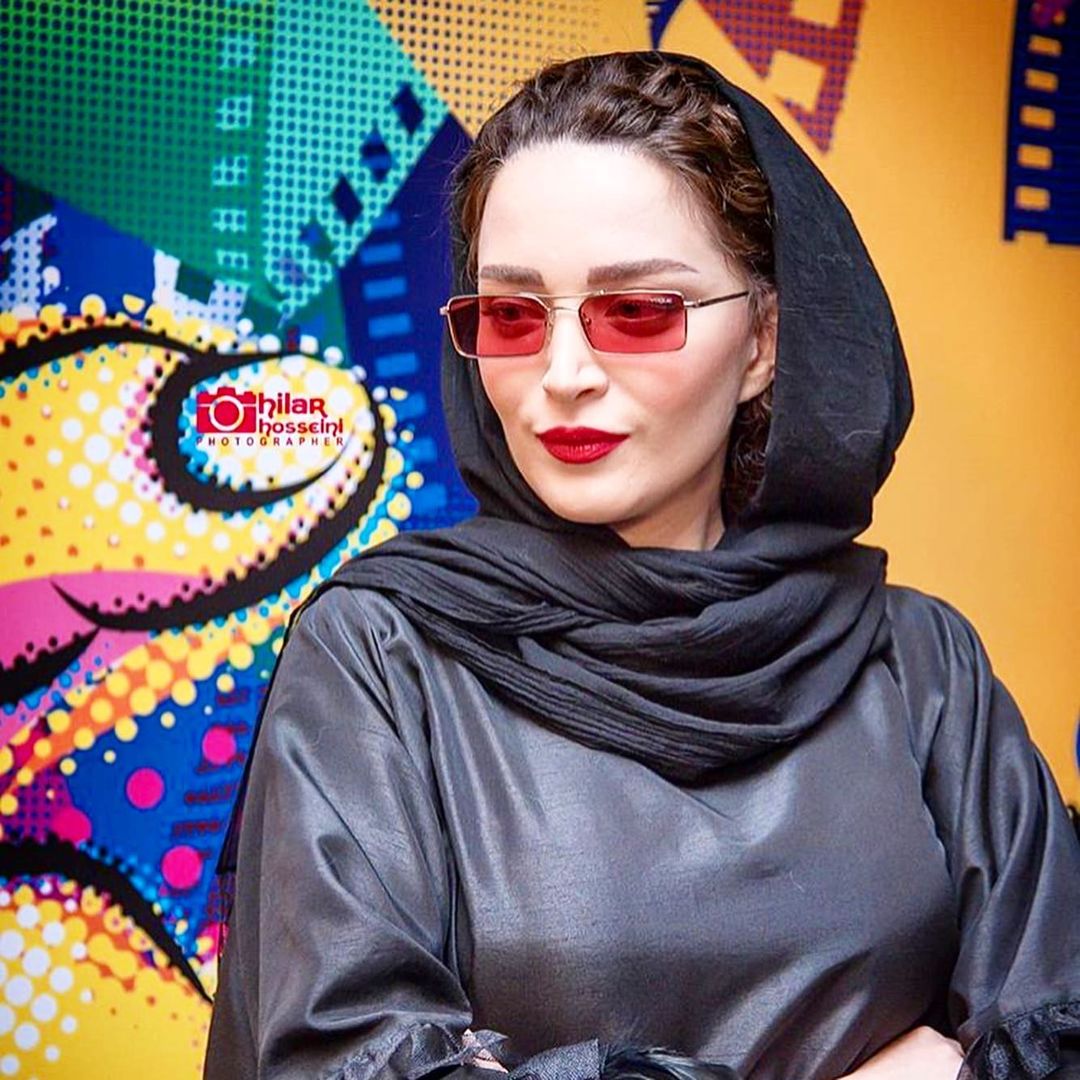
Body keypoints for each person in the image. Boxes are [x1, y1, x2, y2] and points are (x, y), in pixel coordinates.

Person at [202, 50, 1080, 1080]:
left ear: (763, 340)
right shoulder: (379, 658)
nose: (564, 375)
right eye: (512, 315)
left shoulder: (923, 666)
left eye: (638, 311)